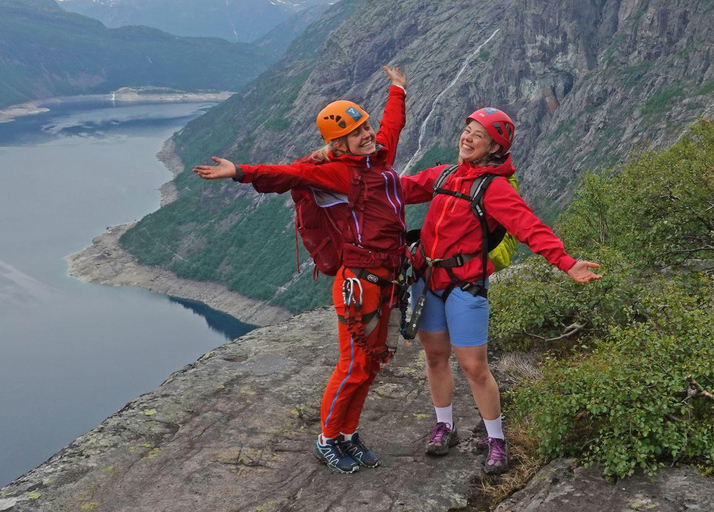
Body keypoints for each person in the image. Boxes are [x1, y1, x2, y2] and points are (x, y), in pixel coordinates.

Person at [193, 66, 408, 474]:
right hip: (359, 283)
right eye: (359, 131)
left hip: (387, 279)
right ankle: (327, 439)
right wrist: (239, 172)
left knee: (373, 361)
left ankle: (348, 434)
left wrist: (397, 90)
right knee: (354, 364)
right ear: (337, 142)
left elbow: (392, 129)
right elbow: (286, 174)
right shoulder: (330, 172)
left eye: (366, 126)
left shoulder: (378, 158)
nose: (369, 134)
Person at [400, 107, 601, 474]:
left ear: (495, 148)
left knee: (474, 366)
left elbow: (529, 227)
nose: (468, 138)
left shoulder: (494, 188)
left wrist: (567, 263)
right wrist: (344, 180)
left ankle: (496, 439)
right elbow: (396, 190)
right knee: (434, 356)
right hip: (427, 279)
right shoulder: (444, 174)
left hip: (465, 285)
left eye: (479, 135)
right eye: (468, 130)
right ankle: (445, 425)